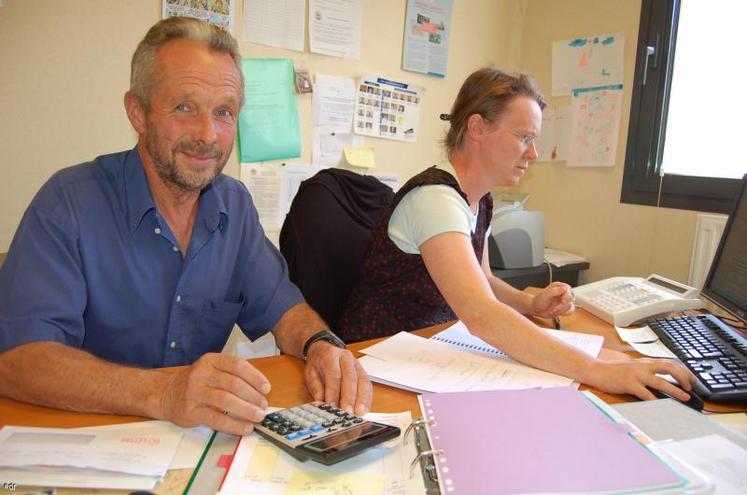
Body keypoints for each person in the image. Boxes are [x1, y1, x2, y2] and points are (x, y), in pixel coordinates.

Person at [0, 17, 370, 435]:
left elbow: (283, 306)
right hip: (82, 440)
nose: (207, 134)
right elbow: (18, 360)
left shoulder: (235, 205)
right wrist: (163, 392)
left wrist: (321, 344)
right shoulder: (67, 203)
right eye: (184, 107)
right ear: (137, 112)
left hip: (189, 447)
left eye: (224, 112)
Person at [338, 67, 696, 402]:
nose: (534, 153)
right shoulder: (434, 200)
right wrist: (597, 370)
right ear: (477, 128)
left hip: (432, 346)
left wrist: (528, 304)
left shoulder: (480, 201)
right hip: (379, 355)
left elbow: (483, 281)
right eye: (524, 137)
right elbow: (481, 314)